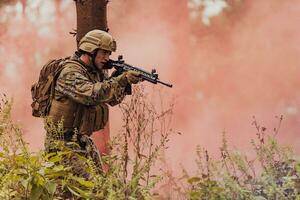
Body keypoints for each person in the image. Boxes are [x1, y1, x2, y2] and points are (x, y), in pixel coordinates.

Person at [45, 29, 141, 173]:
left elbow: (112, 99)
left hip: (82, 140)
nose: (107, 58)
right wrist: (121, 80)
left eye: (109, 54)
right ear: (90, 50)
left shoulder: (94, 72)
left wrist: (122, 81)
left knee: (101, 185)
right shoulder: (70, 72)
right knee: (85, 190)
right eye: (103, 53)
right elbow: (91, 95)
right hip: (61, 144)